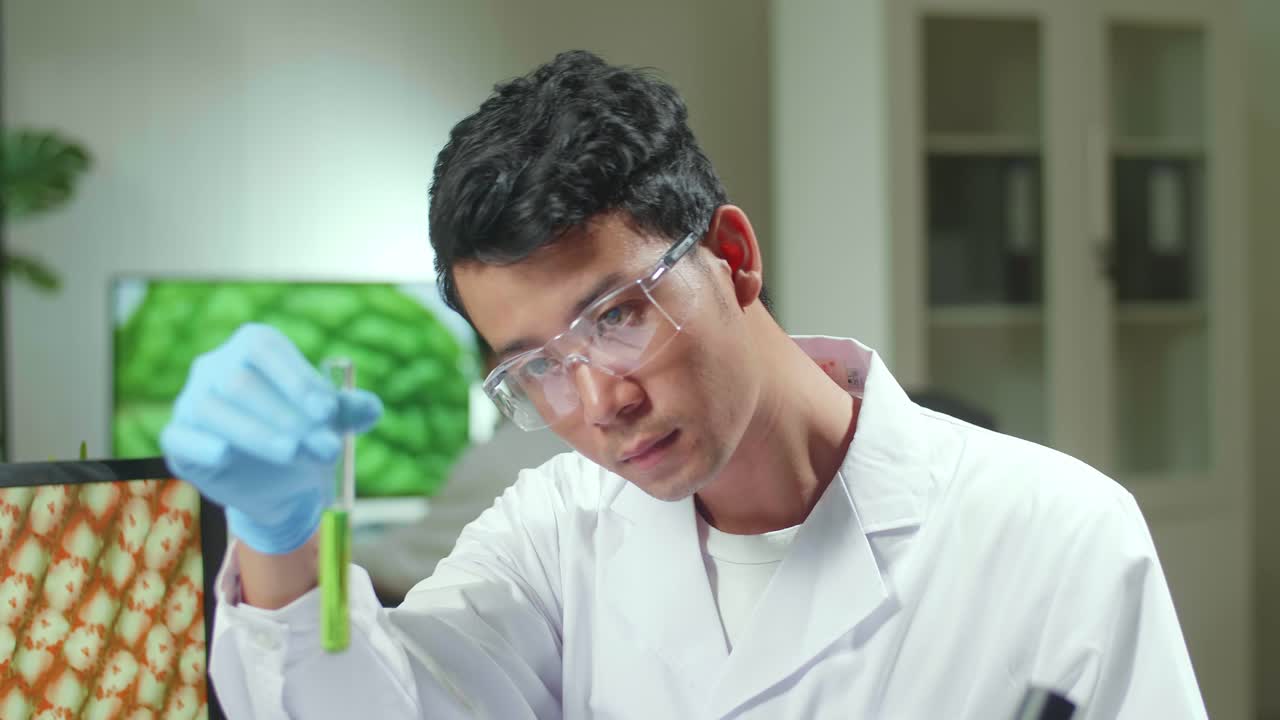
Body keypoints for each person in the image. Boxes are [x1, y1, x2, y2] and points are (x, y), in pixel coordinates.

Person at [161, 51, 1206, 718]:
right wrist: (281, 541)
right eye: (536, 369)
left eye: (615, 316)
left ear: (735, 256)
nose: (595, 404)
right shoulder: (552, 537)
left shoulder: (1056, 535)